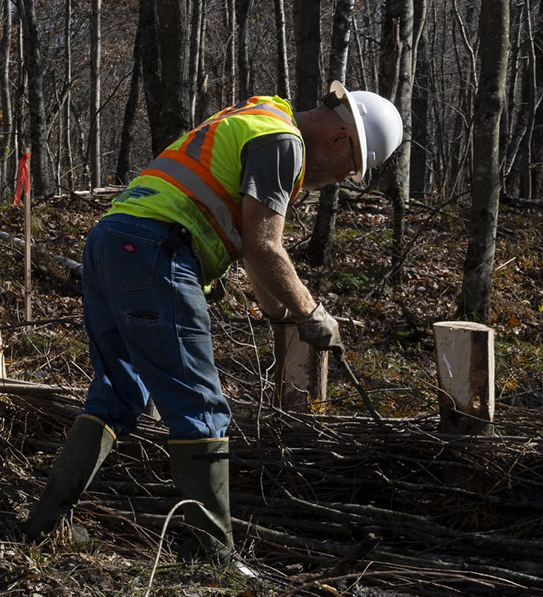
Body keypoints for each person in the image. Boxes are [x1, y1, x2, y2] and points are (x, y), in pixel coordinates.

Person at [20, 81, 403, 554]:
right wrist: (312, 313)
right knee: (202, 409)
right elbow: (266, 248)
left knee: (119, 393)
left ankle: (43, 523)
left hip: (111, 241)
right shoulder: (282, 143)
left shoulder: (260, 117)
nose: (341, 178)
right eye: (351, 168)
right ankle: (214, 555)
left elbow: (250, 250)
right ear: (341, 138)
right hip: (157, 251)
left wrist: (278, 314)